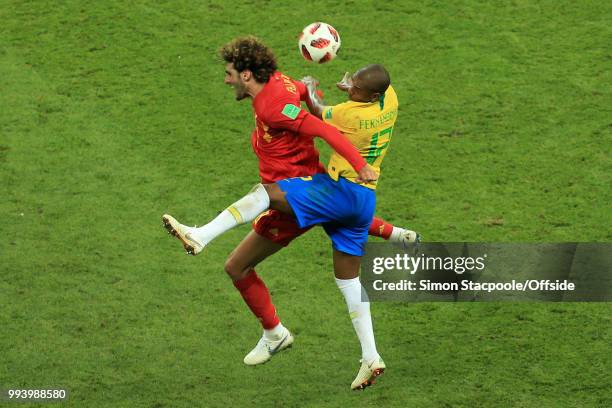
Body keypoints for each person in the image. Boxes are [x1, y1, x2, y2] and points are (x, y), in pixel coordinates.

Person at [163, 36, 413, 389]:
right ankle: (370, 355)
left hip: (326, 189)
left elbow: (322, 122)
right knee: (348, 279)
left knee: (257, 213)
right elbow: (312, 91)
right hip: (360, 198)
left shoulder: (320, 111)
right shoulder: (389, 100)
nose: (226, 80)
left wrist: (357, 158)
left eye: (230, 73)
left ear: (247, 74)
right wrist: (329, 87)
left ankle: (201, 236)